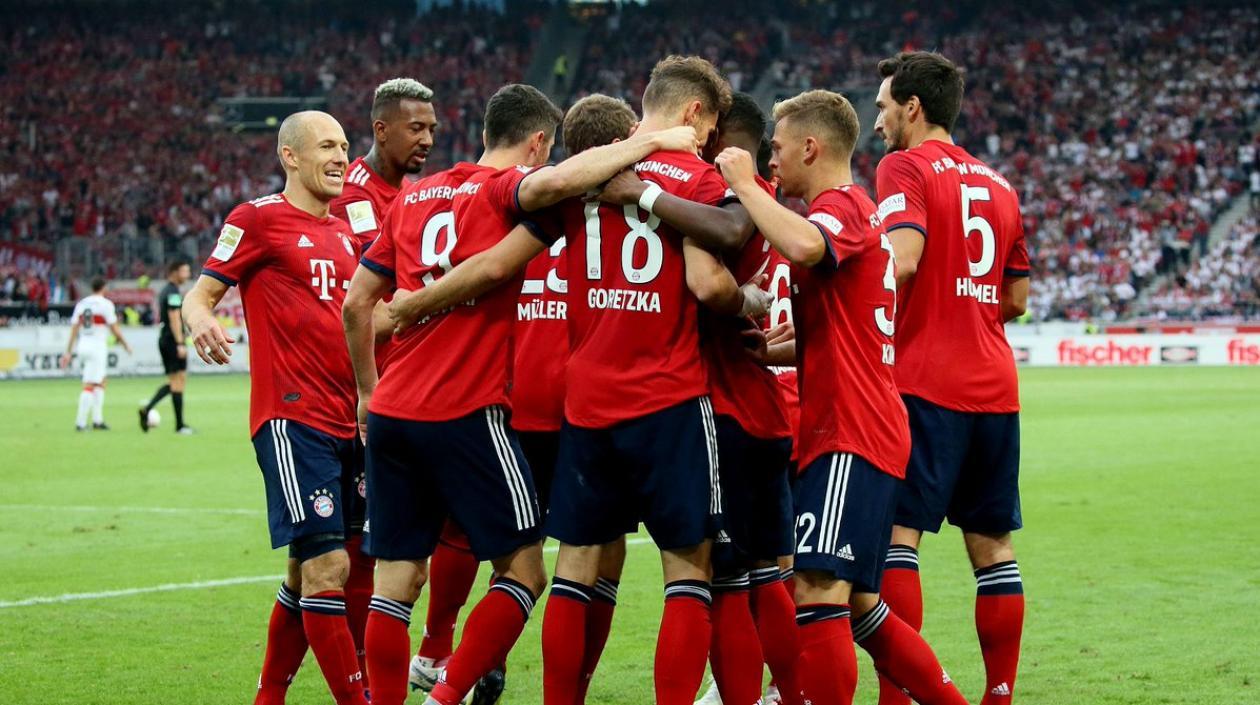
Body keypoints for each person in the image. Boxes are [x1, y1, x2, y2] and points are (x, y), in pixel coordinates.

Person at [343, 82, 700, 705]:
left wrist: (368, 390)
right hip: (474, 407)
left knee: (395, 582)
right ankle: (448, 693)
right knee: (530, 570)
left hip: (395, 408)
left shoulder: (412, 196)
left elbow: (355, 304)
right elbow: (502, 254)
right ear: (539, 143)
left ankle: (410, 680)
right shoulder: (507, 193)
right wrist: (654, 140)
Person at [716, 88, 969, 705]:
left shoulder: (845, 207)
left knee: (818, 589)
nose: (770, 161)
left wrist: (745, 184)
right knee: (861, 607)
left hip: (850, 432)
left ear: (811, 146)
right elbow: (847, 332)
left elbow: (805, 246)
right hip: (860, 426)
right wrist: (774, 351)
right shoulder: (850, 211)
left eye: (775, 149)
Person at [543, 55, 738, 705]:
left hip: (589, 400)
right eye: (709, 126)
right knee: (687, 569)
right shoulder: (698, 178)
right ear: (691, 113)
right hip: (669, 397)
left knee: (575, 565)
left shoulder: (582, 177)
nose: (709, 140)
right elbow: (711, 286)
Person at [597, 92, 800, 705]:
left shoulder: (716, 198)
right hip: (766, 412)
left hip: (722, 411)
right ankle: (795, 694)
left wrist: (647, 192)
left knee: (723, 581)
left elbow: (707, 284)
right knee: (767, 577)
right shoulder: (769, 207)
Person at [182, 110, 369, 705]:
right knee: (327, 570)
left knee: (312, 571)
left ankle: (268, 697)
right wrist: (203, 319)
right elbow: (200, 293)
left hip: (353, 421)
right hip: (293, 421)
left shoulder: (348, 233)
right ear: (290, 156)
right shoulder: (257, 219)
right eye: (326, 147)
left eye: (344, 145)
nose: (341, 157)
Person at [872, 51, 1030, 705]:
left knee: (895, 538)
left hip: (923, 383)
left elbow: (902, 260)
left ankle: (898, 695)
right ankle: (999, 694)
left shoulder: (901, 167)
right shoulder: (1000, 185)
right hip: (994, 385)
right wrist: (965, 303)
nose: (876, 121)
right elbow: (1016, 299)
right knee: (992, 546)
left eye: (882, 107)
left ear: (912, 107)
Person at [328, 75, 438, 694]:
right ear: (380, 129)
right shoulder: (349, 195)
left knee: (402, 555)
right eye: (415, 128)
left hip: (413, 395)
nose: (427, 138)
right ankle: (364, 680)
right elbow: (361, 303)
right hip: (363, 400)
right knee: (356, 553)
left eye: (431, 127)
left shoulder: (421, 195)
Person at [62, 277, 133, 431]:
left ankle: (97, 420)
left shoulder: (82, 304)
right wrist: (126, 345)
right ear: (104, 287)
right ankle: (80, 423)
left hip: (83, 344)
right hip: (97, 346)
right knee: (90, 384)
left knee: (101, 381)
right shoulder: (105, 305)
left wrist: (68, 352)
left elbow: (74, 329)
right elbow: (115, 329)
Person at [140, 259, 193, 434]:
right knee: (178, 381)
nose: (188, 275)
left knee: (177, 381)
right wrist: (180, 343)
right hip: (171, 340)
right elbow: (174, 318)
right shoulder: (172, 292)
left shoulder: (168, 291)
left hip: (166, 338)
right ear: (174, 272)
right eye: (184, 271)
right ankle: (179, 425)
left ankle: (148, 409)